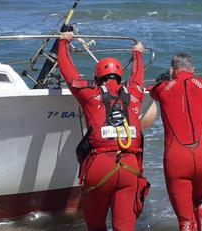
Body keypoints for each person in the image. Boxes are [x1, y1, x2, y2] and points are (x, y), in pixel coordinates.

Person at [58, 30, 150, 231]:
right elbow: (138, 77)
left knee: (97, 227)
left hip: (100, 168)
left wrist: (63, 43)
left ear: (97, 77)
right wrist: (138, 53)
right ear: (120, 76)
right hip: (130, 167)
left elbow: (67, 71)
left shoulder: (90, 94)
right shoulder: (134, 94)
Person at [149, 53, 202, 231]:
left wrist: (165, 80)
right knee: (200, 199)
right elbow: (192, 84)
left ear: (172, 70)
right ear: (192, 69)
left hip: (177, 160)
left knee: (185, 221)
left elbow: (152, 91)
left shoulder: (162, 89)